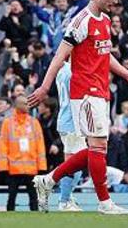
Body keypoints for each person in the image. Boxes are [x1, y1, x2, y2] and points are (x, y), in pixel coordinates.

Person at [28, 0, 128, 215]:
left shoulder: (104, 20)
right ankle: (104, 203)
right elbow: (60, 56)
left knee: (95, 149)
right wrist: (43, 87)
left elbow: (105, 55)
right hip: (84, 93)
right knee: (97, 147)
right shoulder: (80, 21)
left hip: (101, 91)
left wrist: (127, 74)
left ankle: (48, 180)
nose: (114, 1)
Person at [0, 93, 46, 211]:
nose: (28, 106)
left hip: (31, 167)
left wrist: (42, 166)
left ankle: (36, 218)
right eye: (26, 104)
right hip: (14, 168)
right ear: (18, 105)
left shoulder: (34, 122)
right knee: (12, 196)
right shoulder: (7, 123)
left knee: (34, 197)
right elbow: (3, 145)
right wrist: (4, 167)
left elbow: (40, 145)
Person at [54, 60, 83, 211]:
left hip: (65, 119)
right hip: (73, 121)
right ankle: (64, 200)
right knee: (75, 163)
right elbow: (79, 97)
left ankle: (67, 197)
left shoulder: (62, 69)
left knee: (74, 162)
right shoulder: (74, 72)